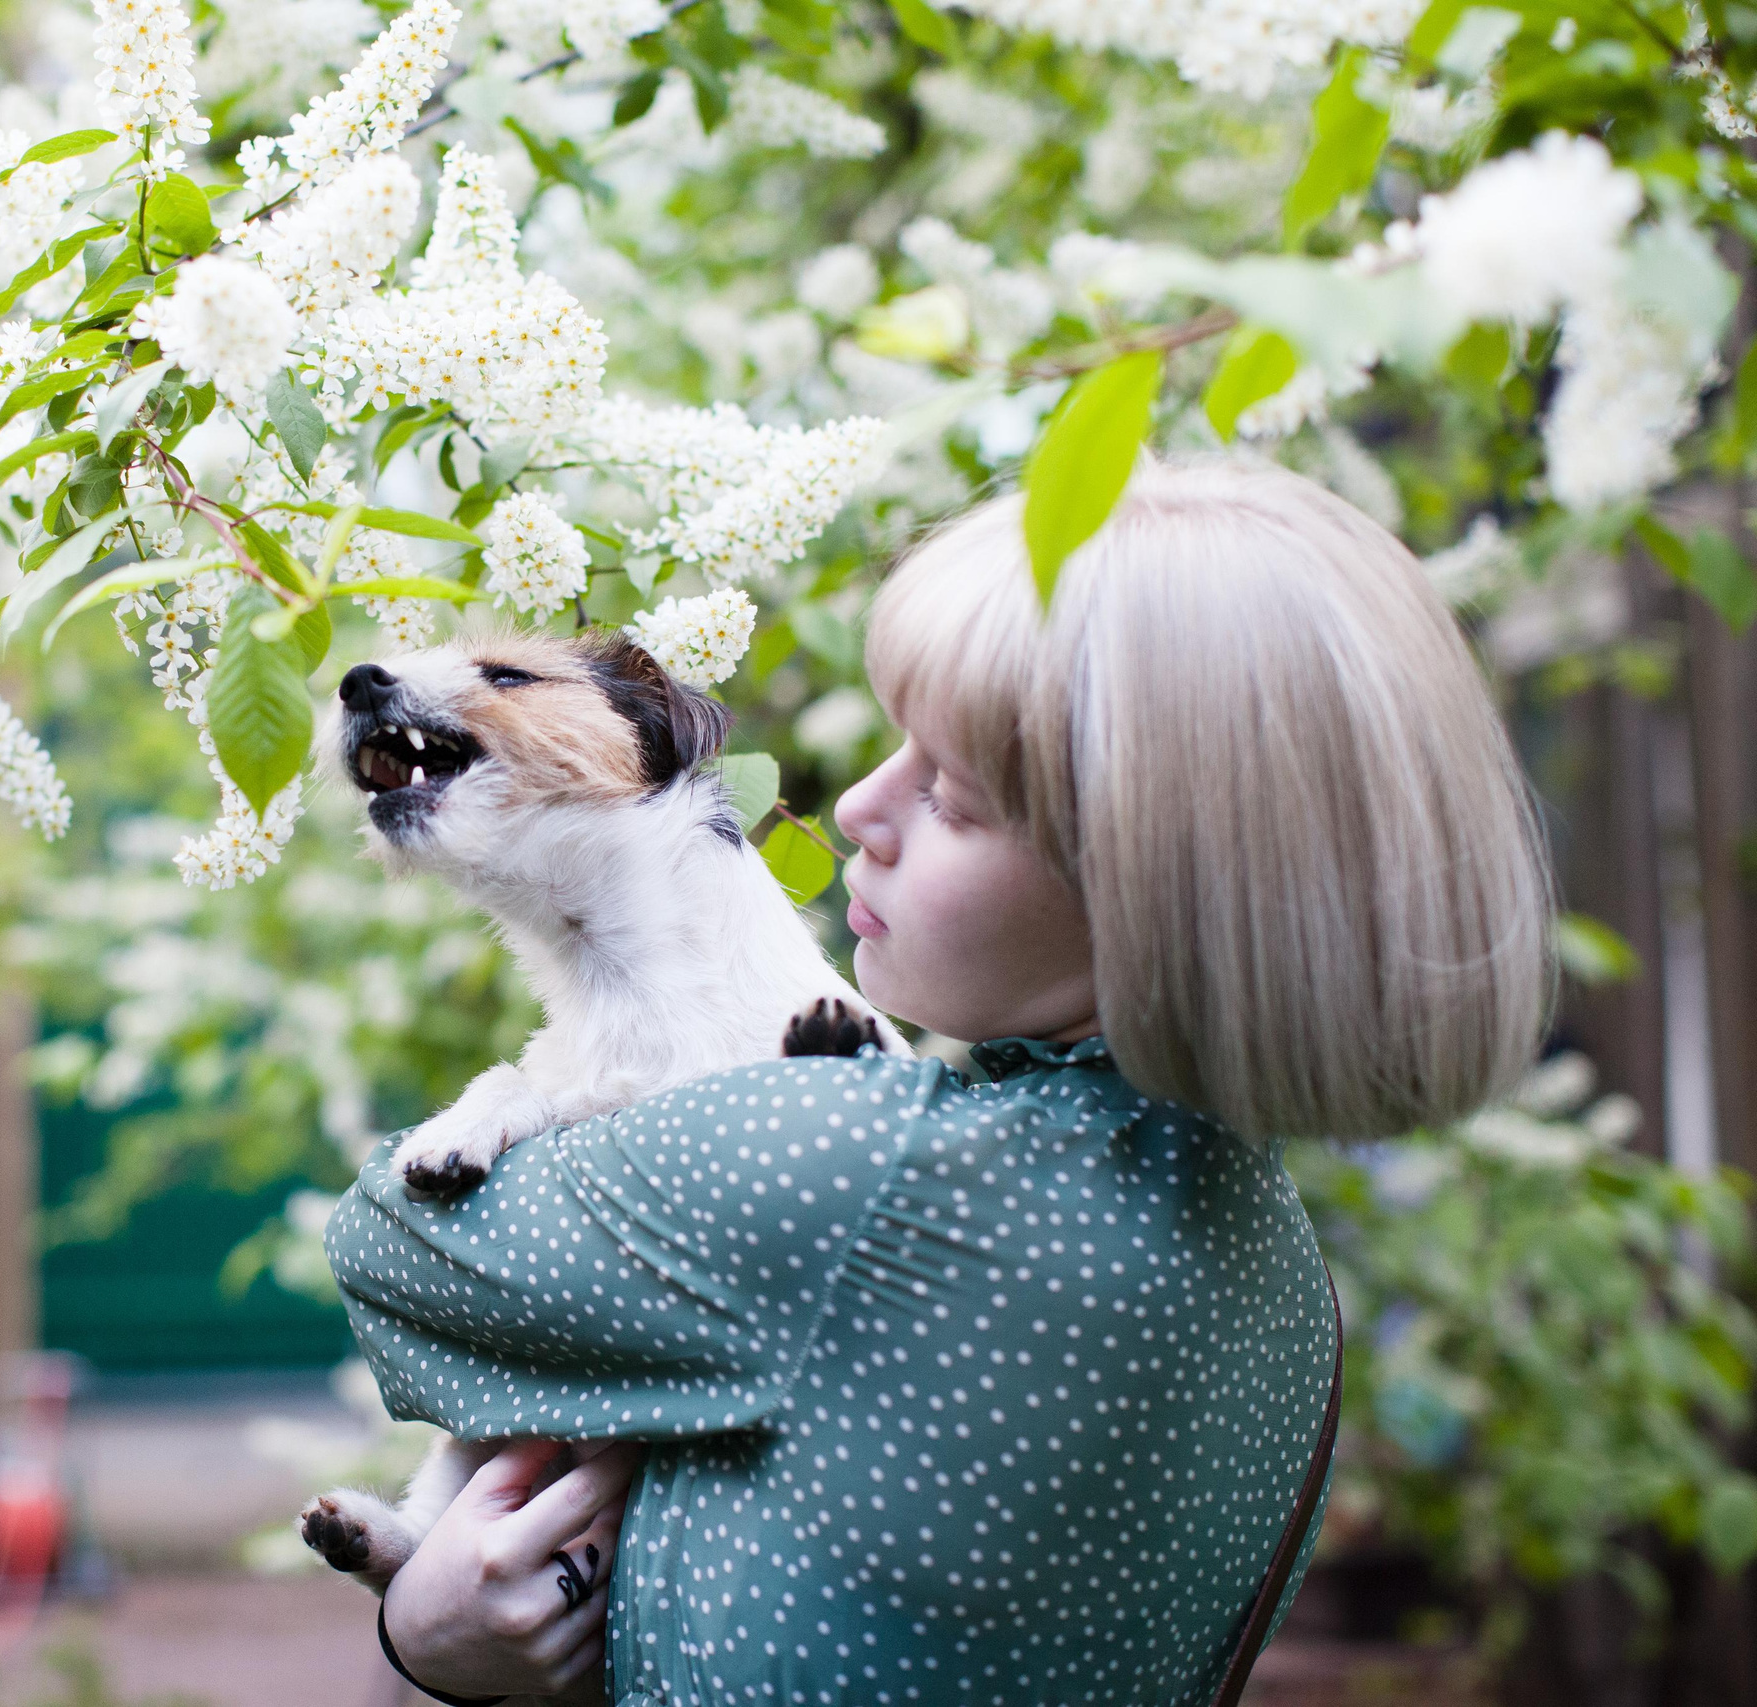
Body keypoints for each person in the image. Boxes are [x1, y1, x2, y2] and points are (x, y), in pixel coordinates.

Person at [327, 456, 1556, 1706]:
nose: (862, 804)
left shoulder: (873, 1175)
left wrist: (426, 1640)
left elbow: (387, 1244)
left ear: (1148, 885)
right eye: (897, 745)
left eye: (952, 795)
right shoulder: (1278, 1269)